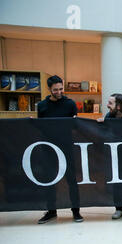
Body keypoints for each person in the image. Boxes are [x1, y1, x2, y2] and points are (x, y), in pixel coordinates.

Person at [36, 75, 83, 224]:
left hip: (66, 146)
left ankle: (76, 211)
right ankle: (51, 211)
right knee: (49, 180)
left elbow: (75, 125)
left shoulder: (70, 104)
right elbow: (41, 126)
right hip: (48, 147)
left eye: (61, 89)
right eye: (55, 89)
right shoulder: (42, 106)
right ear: (49, 89)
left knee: (71, 180)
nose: (59, 92)